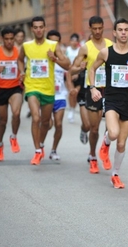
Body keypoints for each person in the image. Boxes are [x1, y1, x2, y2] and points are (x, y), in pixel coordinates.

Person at [89, 18, 128, 188]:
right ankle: (104, 145)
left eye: (126, 29)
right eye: (120, 30)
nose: (123, 32)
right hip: (111, 99)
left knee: (121, 143)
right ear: (114, 33)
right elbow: (92, 68)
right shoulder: (106, 52)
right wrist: (93, 88)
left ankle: (115, 174)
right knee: (113, 133)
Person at [17, 16, 70, 165]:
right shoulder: (26, 46)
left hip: (48, 90)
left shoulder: (53, 45)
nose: (38, 30)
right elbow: (20, 59)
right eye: (36, 27)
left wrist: (55, 58)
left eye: (41, 27)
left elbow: (67, 64)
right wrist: (22, 72)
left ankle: (40, 144)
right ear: (32, 29)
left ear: (45, 28)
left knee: (46, 122)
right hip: (32, 87)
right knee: (36, 118)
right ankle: (37, 151)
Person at [69, 16, 113, 174]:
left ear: (103, 27)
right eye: (94, 28)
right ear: (90, 28)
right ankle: (93, 156)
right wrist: (79, 68)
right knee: (94, 129)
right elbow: (72, 70)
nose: (97, 31)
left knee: (111, 129)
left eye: (100, 28)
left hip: (109, 90)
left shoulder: (110, 45)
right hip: (92, 89)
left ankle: (105, 149)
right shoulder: (85, 48)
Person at [0, 27, 23, 161]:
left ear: (14, 39)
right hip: (1, 89)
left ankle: (13, 137)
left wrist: (23, 74)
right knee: (3, 121)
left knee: (16, 113)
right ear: (2, 39)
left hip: (15, 88)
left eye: (11, 39)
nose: (9, 42)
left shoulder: (19, 52)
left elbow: (25, 66)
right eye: (6, 39)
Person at [46, 30, 69, 160]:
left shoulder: (62, 56)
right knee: (47, 124)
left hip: (60, 95)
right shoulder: (43, 56)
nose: (54, 44)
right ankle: (40, 146)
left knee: (58, 124)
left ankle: (53, 150)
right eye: (51, 41)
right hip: (46, 95)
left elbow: (68, 67)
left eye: (56, 41)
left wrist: (56, 59)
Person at [65, 33, 80, 123]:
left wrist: (77, 73)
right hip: (68, 74)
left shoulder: (80, 51)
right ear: (70, 41)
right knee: (71, 93)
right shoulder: (67, 50)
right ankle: (71, 110)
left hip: (77, 75)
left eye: (76, 41)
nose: (74, 42)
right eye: (72, 40)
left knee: (75, 94)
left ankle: (73, 109)